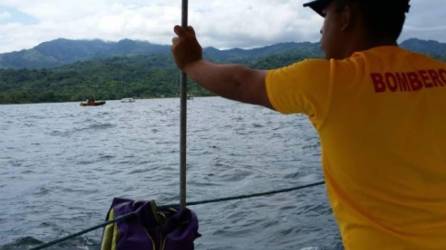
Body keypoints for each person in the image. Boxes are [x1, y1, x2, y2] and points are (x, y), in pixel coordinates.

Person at [171, 0, 446, 249]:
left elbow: (240, 82)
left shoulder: (330, 81)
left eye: (324, 16)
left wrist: (192, 63)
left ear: (346, 16)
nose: (321, 31)